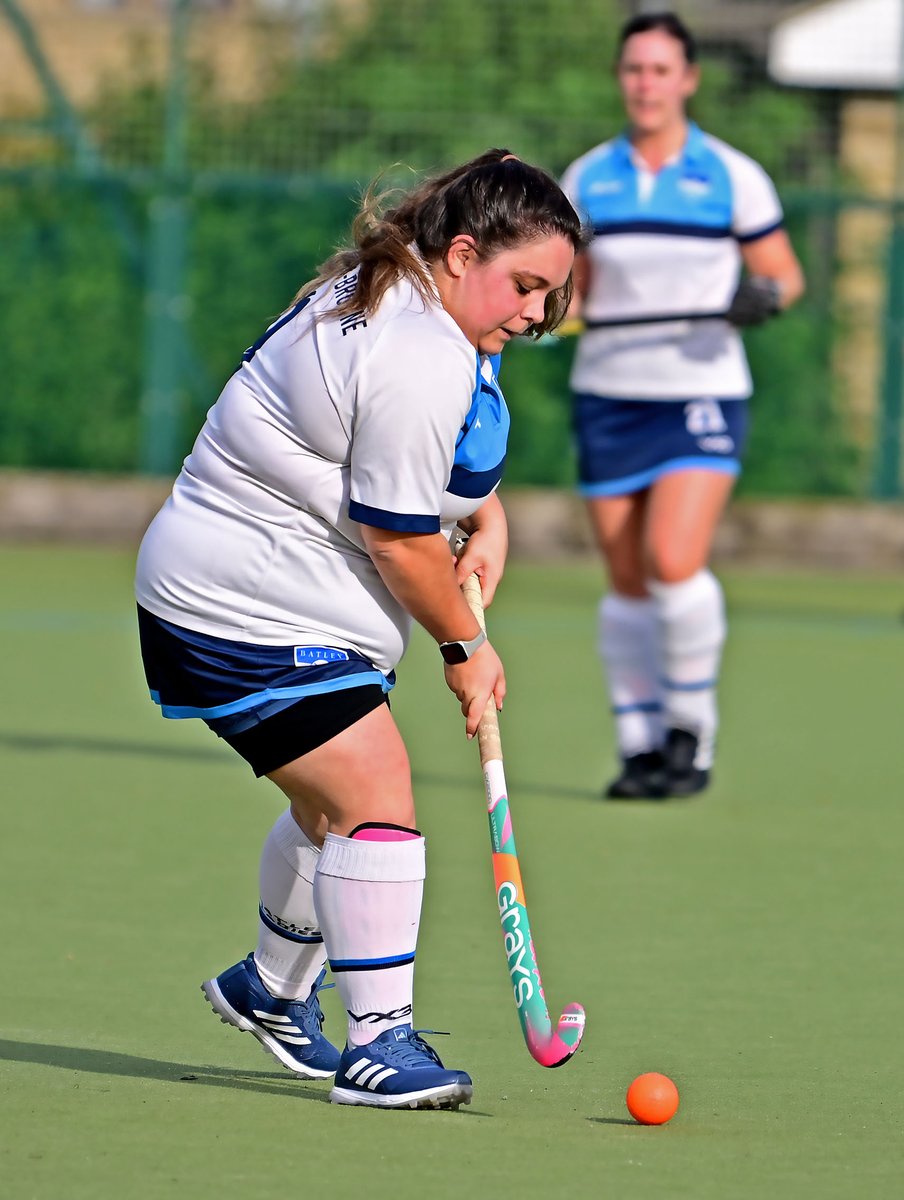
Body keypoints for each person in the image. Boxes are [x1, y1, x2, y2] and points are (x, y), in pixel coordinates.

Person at [135, 148, 581, 1110]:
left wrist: (486, 513)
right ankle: (379, 1041)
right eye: (526, 285)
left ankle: (271, 987)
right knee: (376, 785)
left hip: (272, 598)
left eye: (552, 295)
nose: (538, 314)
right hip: (240, 608)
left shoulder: (394, 290)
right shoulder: (417, 347)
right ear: (463, 254)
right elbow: (397, 535)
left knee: (327, 803)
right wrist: (466, 644)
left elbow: (403, 460)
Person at [559, 11, 804, 800]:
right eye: (634, 70)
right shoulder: (587, 177)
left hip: (699, 391)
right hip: (608, 392)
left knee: (672, 557)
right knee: (626, 575)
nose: (645, 85)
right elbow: (572, 290)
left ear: (688, 80)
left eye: (661, 71)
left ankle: (689, 737)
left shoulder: (732, 175)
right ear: (620, 78)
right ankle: (638, 747)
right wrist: (550, 309)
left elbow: (783, 275)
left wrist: (760, 297)